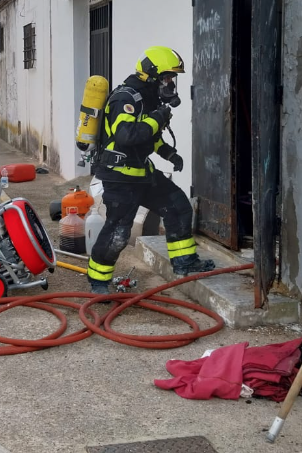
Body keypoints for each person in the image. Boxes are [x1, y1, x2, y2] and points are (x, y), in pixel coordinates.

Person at [87, 46, 214, 294]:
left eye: (172, 79)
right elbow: (127, 135)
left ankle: (185, 263)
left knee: (178, 208)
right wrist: (158, 117)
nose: (170, 83)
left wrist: (169, 153)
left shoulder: (147, 99)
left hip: (142, 173)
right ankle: (98, 281)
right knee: (118, 232)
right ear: (152, 75)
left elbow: (149, 138)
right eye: (167, 77)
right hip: (120, 177)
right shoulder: (126, 98)